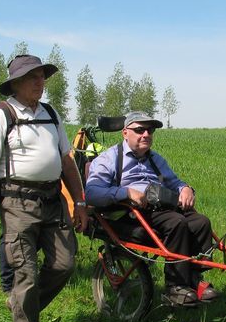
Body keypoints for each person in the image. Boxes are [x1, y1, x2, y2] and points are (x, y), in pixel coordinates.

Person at [0, 54, 88, 322]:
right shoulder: (3, 115)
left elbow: (66, 160)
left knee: (64, 264)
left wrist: (80, 201)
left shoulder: (51, 114)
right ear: (17, 83)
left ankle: (20, 305)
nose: (41, 82)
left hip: (53, 201)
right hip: (17, 203)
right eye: (34, 77)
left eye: (42, 76)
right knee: (26, 272)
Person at [85, 111, 218, 307]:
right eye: (139, 130)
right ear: (125, 133)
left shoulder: (155, 159)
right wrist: (126, 193)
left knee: (200, 222)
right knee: (177, 223)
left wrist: (185, 188)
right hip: (128, 213)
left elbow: (174, 181)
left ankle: (193, 277)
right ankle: (175, 287)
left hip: (159, 209)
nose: (146, 134)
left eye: (150, 130)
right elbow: (92, 193)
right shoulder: (109, 159)